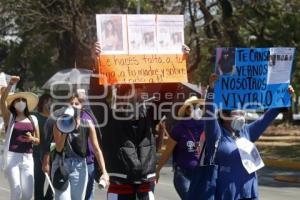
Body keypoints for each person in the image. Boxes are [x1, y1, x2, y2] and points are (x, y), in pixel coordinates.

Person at [204, 73, 295, 200]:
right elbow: (209, 115)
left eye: (242, 111)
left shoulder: (246, 132)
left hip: (249, 192)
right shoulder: (216, 134)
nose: (241, 114)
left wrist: (284, 95)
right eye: (237, 111)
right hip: (226, 194)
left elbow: (267, 117)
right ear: (224, 115)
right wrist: (211, 89)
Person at [51, 94, 109, 200]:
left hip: (79, 166)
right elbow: (59, 148)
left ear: (82, 107)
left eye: (76, 104)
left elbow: (97, 150)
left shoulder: (88, 124)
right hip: (61, 164)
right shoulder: (58, 124)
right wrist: (66, 128)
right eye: (71, 103)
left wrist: (104, 171)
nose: (73, 105)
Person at [156, 96, 205, 200]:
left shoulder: (207, 126)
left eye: (200, 106)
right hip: (183, 174)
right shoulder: (179, 128)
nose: (199, 109)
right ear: (187, 110)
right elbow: (167, 151)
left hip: (201, 174)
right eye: (195, 106)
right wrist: (158, 170)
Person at [0, 76, 40, 200]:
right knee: (16, 191)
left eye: (23, 100)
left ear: (27, 103)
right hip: (12, 157)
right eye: (18, 100)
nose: (21, 102)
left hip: (28, 158)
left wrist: (32, 139)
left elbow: (38, 140)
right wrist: (10, 84)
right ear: (13, 104)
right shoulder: (9, 117)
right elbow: (2, 101)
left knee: (28, 195)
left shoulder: (33, 119)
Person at [32, 93, 53, 200]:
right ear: (43, 103)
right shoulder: (35, 116)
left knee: (53, 181)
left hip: (52, 154)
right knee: (39, 180)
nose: (50, 103)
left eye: (51, 101)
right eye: (48, 101)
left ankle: (49, 198)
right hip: (37, 153)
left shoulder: (54, 119)